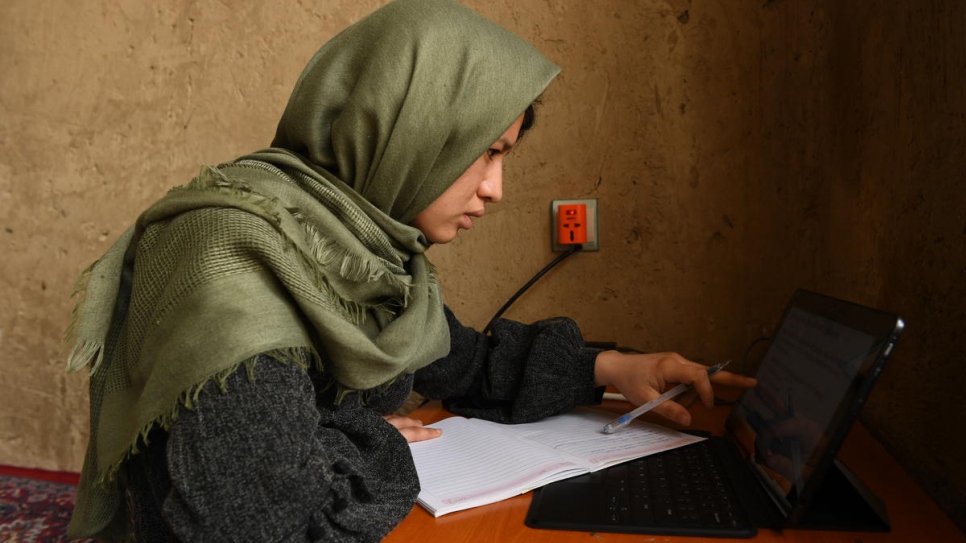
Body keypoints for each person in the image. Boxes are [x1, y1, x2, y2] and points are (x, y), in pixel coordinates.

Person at [64, 0, 756, 541]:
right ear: (408, 125)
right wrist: (357, 435)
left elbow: (456, 360)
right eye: (484, 152)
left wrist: (611, 368)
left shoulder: (362, 252)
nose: (496, 189)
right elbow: (268, 525)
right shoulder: (233, 268)